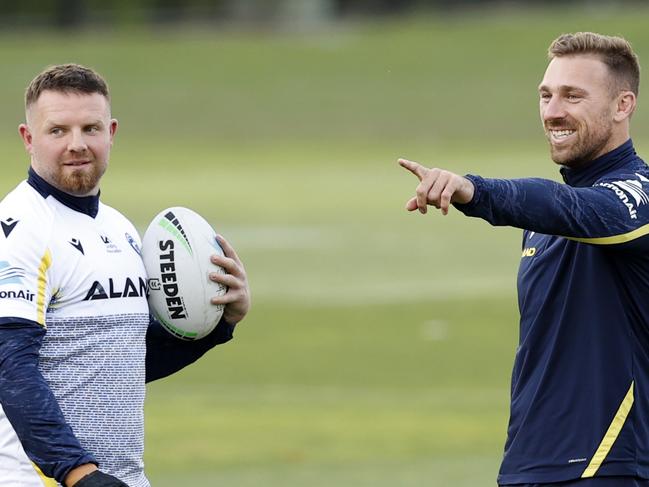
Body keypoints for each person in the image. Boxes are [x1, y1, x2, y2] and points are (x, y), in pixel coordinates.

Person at [400, 32, 649, 486]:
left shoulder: (638, 197)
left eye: (573, 96)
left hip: (608, 464)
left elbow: (577, 209)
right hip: (529, 465)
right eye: (546, 95)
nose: (553, 111)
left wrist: (474, 190)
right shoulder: (545, 216)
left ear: (623, 105)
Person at [0, 64, 251, 487]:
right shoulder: (21, 228)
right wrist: (78, 473)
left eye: (90, 128)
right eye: (57, 130)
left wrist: (220, 323)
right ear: (29, 139)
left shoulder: (120, 230)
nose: (77, 144)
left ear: (111, 132)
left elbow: (123, 364)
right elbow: (10, 365)